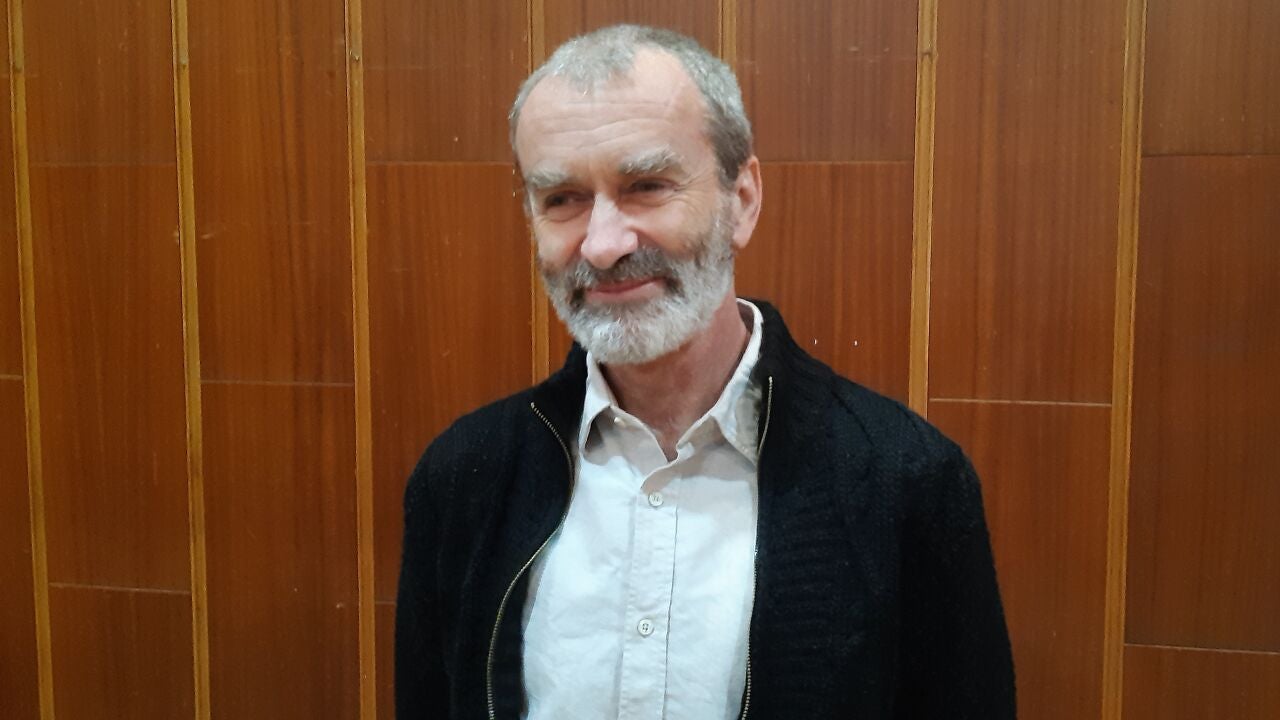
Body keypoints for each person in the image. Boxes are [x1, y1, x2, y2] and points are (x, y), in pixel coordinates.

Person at [395, 24, 1015, 720]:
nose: (602, 246)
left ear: (741, 200)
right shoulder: (463, 479)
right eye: (562, 198)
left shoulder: (908, 482)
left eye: (646, 186)